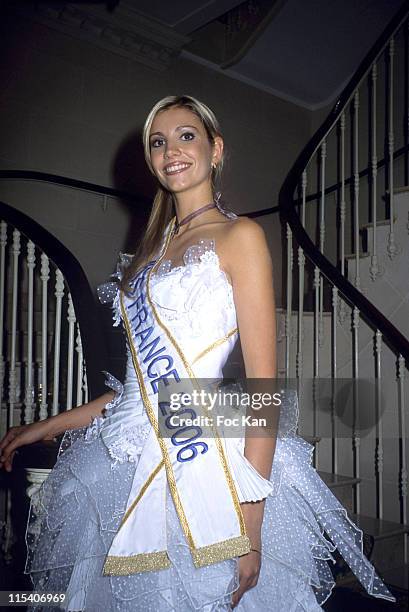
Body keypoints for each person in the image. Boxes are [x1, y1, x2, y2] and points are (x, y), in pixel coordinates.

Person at [0, 95, 395, 611]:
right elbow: (137, 394)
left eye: (187, 135)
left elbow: (262, 390)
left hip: (204, 456)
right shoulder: (145, 256)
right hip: (130, 458)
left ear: (216, 149)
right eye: (158, 142)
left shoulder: (240, 235)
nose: (172, 151)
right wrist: (44, 426)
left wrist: (249, 527)